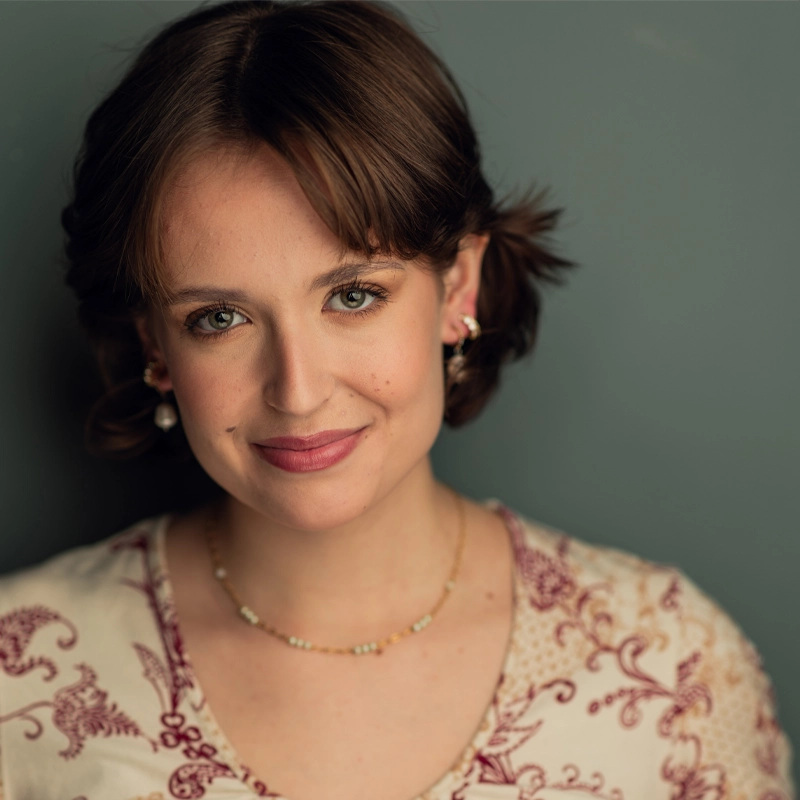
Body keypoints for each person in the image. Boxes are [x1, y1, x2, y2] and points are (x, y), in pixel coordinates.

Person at [0, 1, 793, 798]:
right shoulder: (19, 678)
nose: (299, 391)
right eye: (221, 318)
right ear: (153, 347)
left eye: (352, 296)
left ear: (459, 287)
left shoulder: (671, 668)